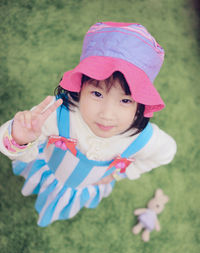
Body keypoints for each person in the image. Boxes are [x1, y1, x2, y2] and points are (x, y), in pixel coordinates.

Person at [0, 22, 177, 227]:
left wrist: (122, 173)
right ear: (80, 88)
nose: (107, 115)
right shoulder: (58, 113)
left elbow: (167, 152)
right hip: (49, 167)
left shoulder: (144, 139)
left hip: (87, 184)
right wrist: (19, 137)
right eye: (97, 93)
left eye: (125, 100)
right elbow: (10, 142)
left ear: (140, 105)